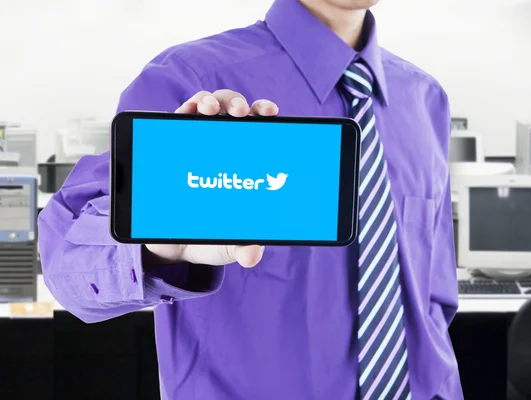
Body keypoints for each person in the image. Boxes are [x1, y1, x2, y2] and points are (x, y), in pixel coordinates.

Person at [38, 0, 461, 398]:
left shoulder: (425, 99)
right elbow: (67, 260)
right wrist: (154, 247)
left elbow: (432, 298)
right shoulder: (193, 79)